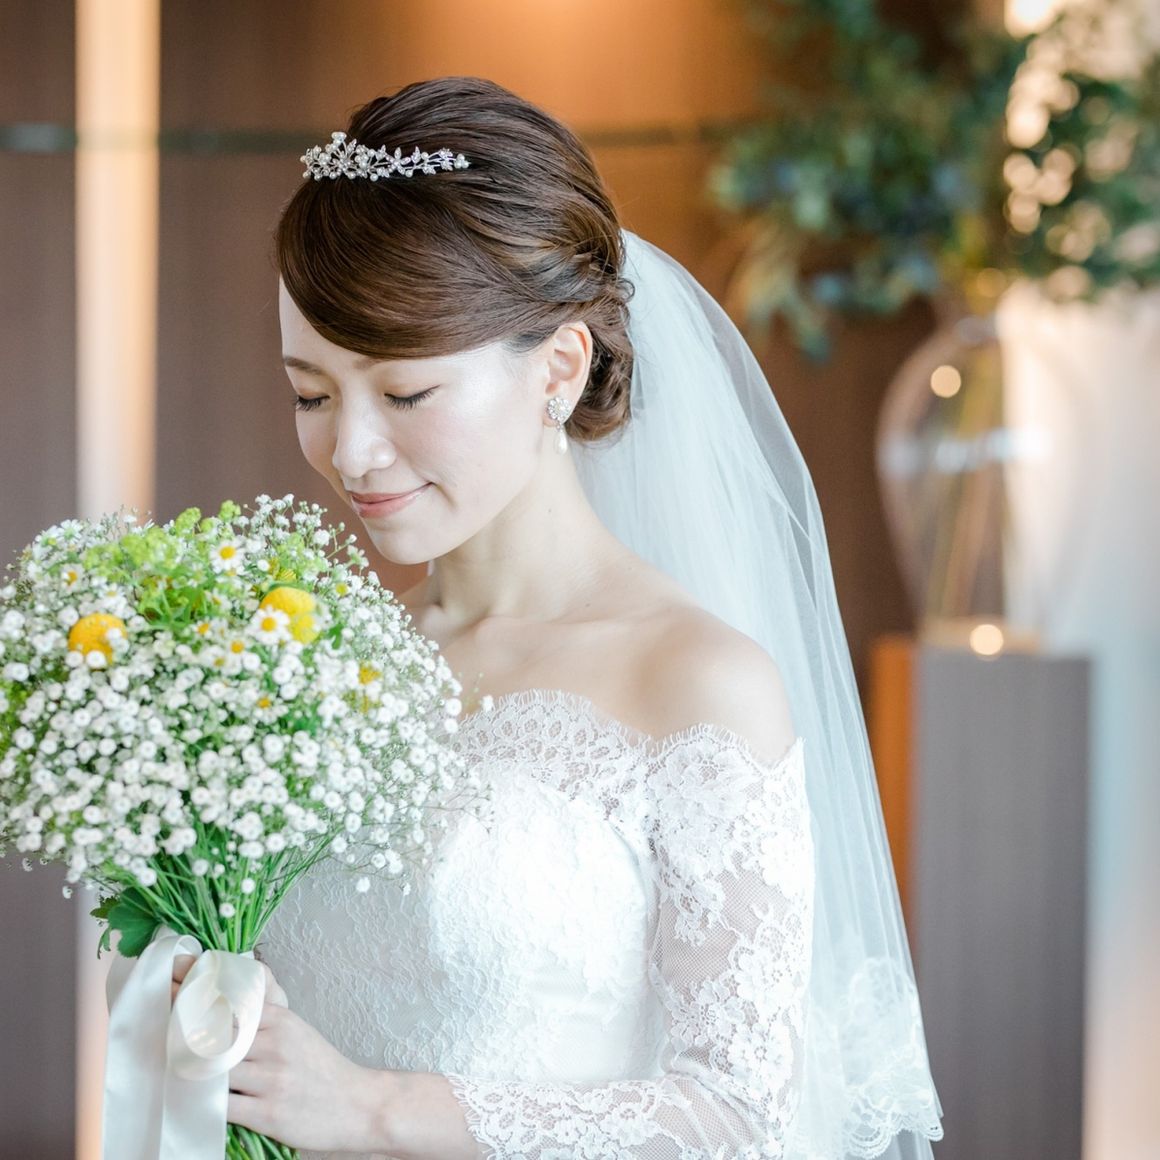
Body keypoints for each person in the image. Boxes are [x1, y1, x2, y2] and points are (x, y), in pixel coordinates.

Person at [178, 75, 944, 1159]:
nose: (349, 450)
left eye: (404, 394)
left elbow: (736, 1118)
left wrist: (373, 1111)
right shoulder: (314, 664)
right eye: (311, 393)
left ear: (560, 367)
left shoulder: (696, 679)